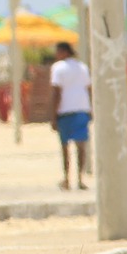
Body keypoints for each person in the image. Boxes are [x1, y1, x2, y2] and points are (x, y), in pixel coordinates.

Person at [50, 40, 92, 191]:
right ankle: (80, 179)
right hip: (82, 108)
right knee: (81, 146)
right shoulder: (82, 67)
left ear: (64, 52)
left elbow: (56, 92)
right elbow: (88, 88)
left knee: (65, 147)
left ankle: (67, 178)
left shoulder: (58, 68)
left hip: (65, 110)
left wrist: (53, 115)